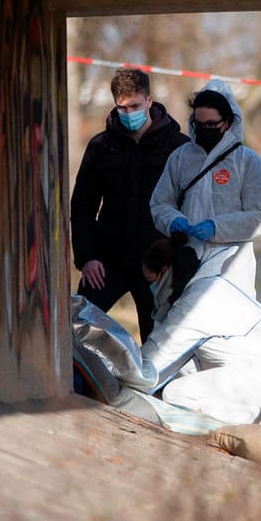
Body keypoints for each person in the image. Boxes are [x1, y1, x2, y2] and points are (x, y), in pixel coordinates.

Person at [70, 67, 189, 342]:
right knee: (77, 326)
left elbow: (190, 207)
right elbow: (82, 205)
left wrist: (176, 260)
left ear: (149, 101)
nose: (128, 114)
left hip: (157, 263)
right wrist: (87, 257)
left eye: (134, 106)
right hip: (107, 261)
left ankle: (156, 388)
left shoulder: (178, 147)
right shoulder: (101, 147)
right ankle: (82, 386)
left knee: (160, 342)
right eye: (121, 108)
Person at [136, 238, 261, 431]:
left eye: (151, 282)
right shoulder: (203, 285)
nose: (151, 289)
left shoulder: (194, 304)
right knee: (184, 371)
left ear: (164, 272)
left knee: (177, 394)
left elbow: (157, 356)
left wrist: (119, 375)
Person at [150, 79, 261, 293]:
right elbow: (160, 203)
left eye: (211, 125)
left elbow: (260, 216)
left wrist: (217, 227)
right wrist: (172, 220)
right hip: (187, 263)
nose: (204, 129)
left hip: (231, 267)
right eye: (199, 124)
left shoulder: (247, 161)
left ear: (226, 122)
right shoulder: (180, 158)